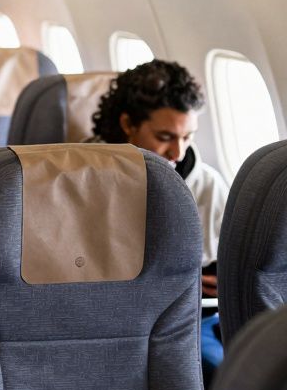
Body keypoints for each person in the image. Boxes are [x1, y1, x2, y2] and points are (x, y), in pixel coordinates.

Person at [90, 59, 229, 295]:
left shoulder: (207, 184)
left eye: (187, 137)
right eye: (165, 137)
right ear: (128, 124)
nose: (179, 152)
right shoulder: (84, 178)